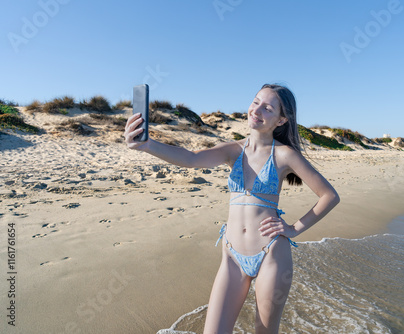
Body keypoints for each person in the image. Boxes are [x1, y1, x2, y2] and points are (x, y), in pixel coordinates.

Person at [123, 84, 340, 333]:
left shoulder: (284, 155)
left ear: (281, 120)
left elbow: (329, 196)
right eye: (256, 101)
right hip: (232, 255)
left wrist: (293, 229)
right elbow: (191, 158)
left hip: (271, 253)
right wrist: (148, 145)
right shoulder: (233, 150)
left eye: (267, 108)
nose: (256, 110)